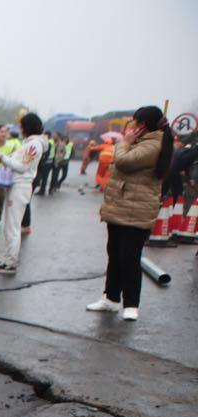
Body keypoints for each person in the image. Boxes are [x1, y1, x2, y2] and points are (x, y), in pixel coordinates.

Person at [86, 107, 173, 321]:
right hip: (120, 206)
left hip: (137, 208)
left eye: (134, 122)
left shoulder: (153, 144)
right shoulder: (140, 141)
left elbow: (124, 161)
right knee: (114, 254)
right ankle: (111, 298)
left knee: (130, 258)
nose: (131, 126)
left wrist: (124, 142)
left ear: (143, 124)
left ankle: (131, 304)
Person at [0, 113, 45, 276]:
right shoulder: (29, 143)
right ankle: (7, 258)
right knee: (9, 226)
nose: (20, 129)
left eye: (21, 126)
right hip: (16, 185)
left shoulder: (34, 145)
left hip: (20, 186)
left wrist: (4, 158)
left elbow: (21, 166)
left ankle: (11, 261)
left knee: (13, 227)